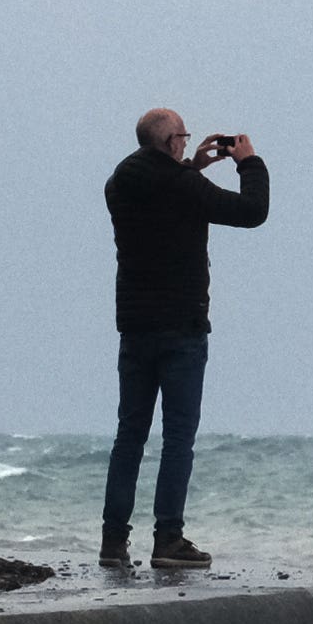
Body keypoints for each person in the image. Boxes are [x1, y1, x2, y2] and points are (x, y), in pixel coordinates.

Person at [101, 107, 269, 569]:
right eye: (183, 136)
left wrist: (193, 166)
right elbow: (252, 212)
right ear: (172, 141)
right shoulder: (182, 186)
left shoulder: (118, 184)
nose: (185, 141)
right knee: (177, 438)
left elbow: (163, 200)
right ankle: (168, 540)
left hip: (135, 328)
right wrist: (248, 162)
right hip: (181, 329)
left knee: (129, 436)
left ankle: (113, 544)